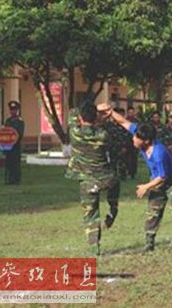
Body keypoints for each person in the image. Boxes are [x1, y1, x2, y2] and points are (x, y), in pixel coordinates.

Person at [103, 104, 172, 252]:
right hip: (156, 179)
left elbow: (163, 177)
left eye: (136, 138)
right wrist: (110, 112)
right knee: (153, 211)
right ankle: (149, 244)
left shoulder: (158, 153)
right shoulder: (141, 134)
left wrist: (146, 187)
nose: (133, 139)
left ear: (147, 141)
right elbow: (124, 122)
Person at [65, 101, 120, 256]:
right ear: (95, 118)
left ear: (81, 118)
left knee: (91, 215)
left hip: (88, 181)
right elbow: (96, 124)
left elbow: (73, 113)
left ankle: (94, 247)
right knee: (115, 186)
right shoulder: (103, 135)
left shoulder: (75, 132)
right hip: (107, 178)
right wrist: (100, 113)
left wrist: (95, 108)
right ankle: (113, 210)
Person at [4, 100, 25, 184]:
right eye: (11, 109)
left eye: (15, 109)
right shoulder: (8, 121)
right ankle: (10, 179)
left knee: (16, 163)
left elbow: (20, 133)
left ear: (18, 110)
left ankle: (16, 180)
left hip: (16, 146)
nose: (13, 111)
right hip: (8, 146)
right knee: (9, 163)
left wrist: (14, 138)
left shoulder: (20, 121)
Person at [125, 107, 139, 179]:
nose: (131, 114)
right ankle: (127, 171)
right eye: (129, 112)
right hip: (126, 142)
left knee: (134, 158)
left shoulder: (137, 121)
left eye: (132, 112)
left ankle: (133, 173)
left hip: (134, 142)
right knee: (126, 158)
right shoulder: (125, 121)